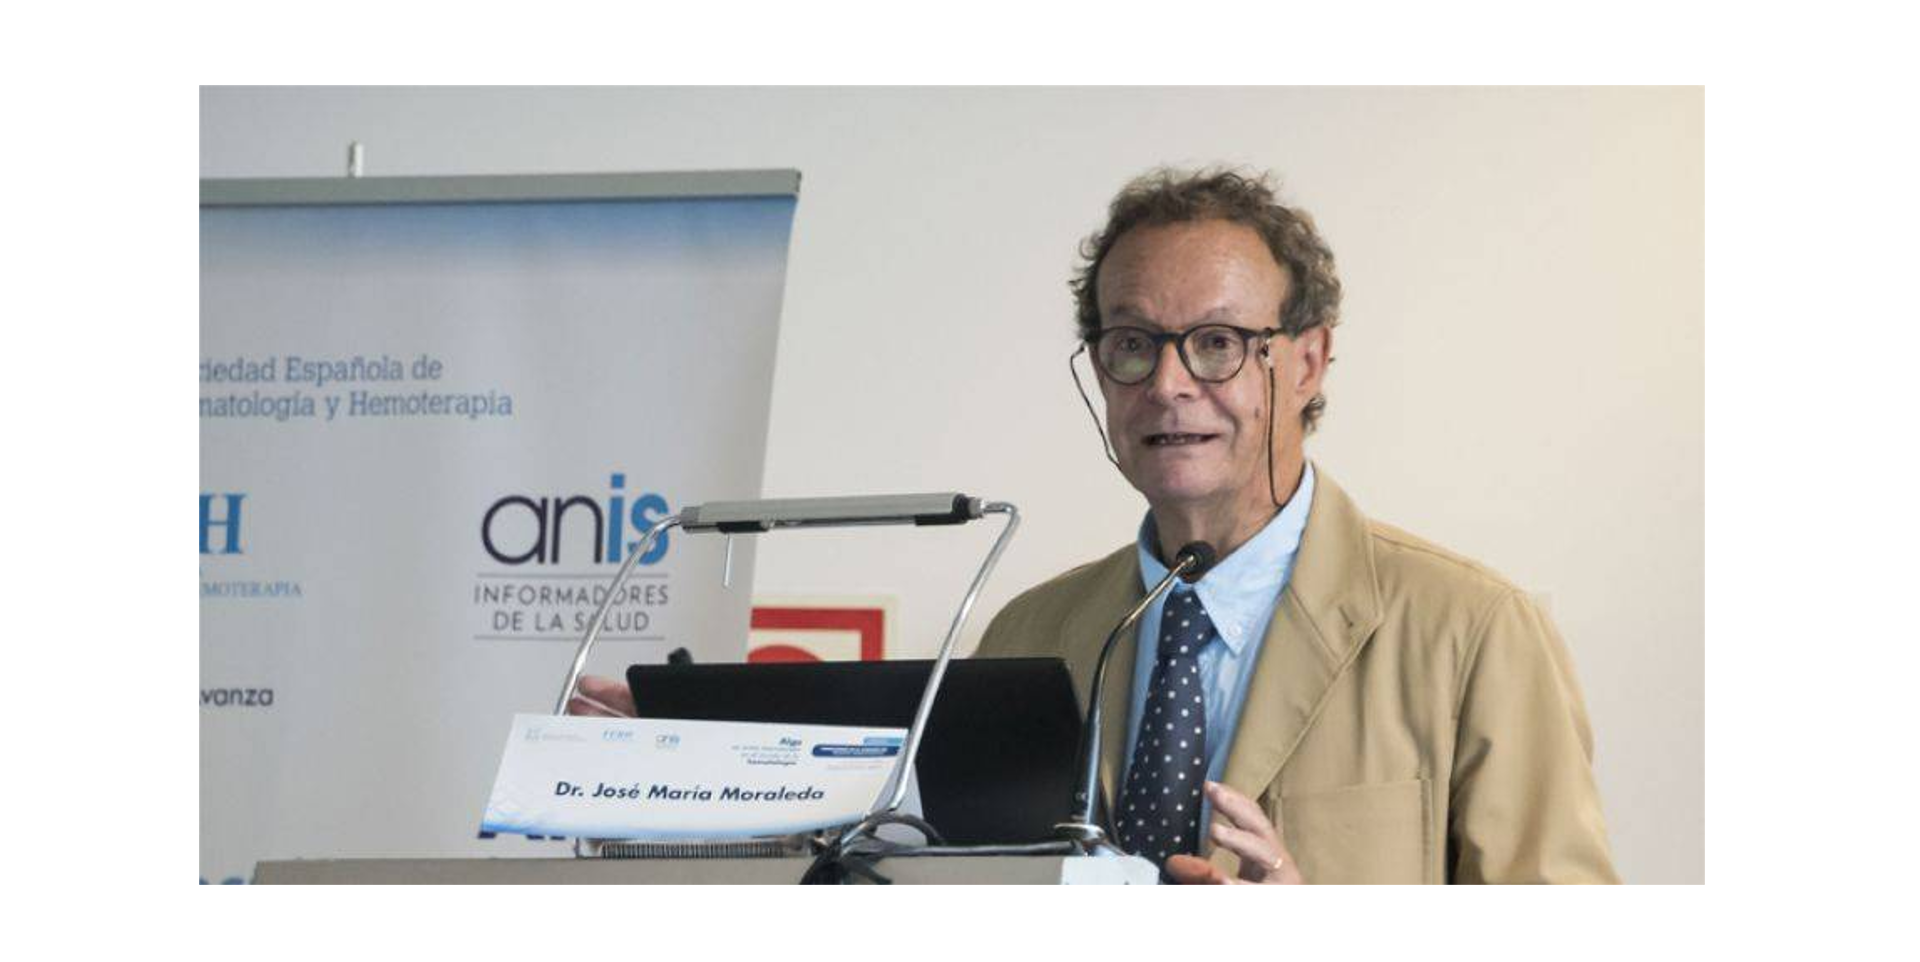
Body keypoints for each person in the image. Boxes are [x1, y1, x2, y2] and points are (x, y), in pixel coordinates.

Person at [574, 167, 1618, 884]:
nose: (1168, 383)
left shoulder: (1473, 630)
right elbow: (927, 878)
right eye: (1131, 343)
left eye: (1217, 342)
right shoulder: (1031, 629)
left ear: (1307, 361)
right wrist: (695, 776)